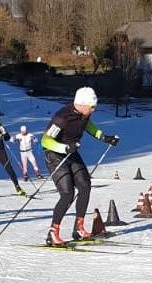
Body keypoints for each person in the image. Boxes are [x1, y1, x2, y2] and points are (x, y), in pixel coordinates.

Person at [41, 86, 120, 245]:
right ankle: (53, 233)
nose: (93, 110)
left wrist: (104, 138)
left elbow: (89, 127)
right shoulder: (62, 117)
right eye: (92, 107)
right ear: (82, 104)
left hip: (71, 152)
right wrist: (64, 148)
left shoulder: (84, 116)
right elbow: (46, 141)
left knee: (85, 186)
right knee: (67, 194)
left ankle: (78, 228)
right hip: (55, 154)